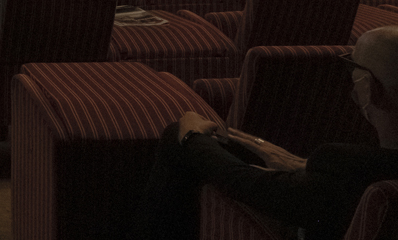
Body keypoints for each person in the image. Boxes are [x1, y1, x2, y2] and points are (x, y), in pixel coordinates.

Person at [131, 26, 398, 240]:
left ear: (368, 86)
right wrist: (305, 168)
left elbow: (251, 186)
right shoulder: (363, 165)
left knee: (175, 136)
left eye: (351, 66)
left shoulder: (350, 168)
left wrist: (190, 138)